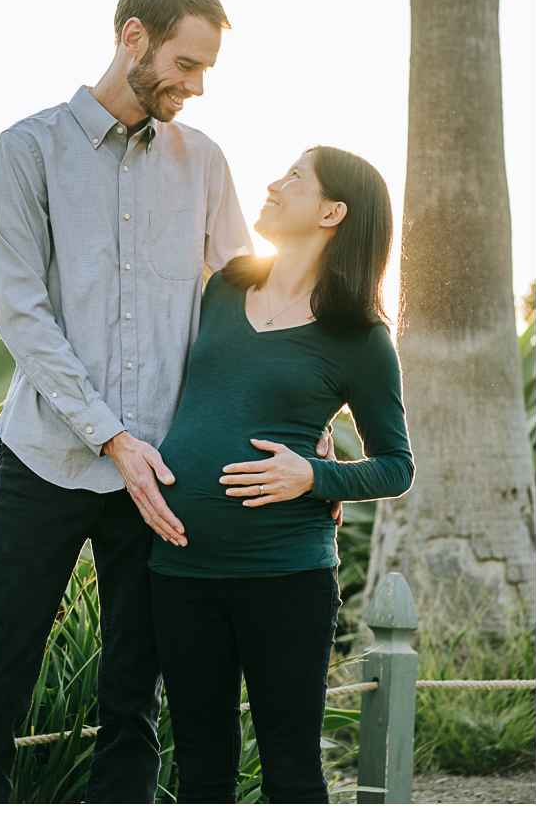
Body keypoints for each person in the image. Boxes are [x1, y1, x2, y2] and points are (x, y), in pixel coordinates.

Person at [0, 0, 337, 804]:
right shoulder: (28, 149)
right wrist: (110, 437)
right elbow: (22, 313)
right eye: (186, 65)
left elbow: (245, 294)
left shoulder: (205, 162)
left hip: (160, 476)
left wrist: (304, 417)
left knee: (134, 697)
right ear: (133, 39)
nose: (195, 86)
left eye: (205, 72)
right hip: (46, 459)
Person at [148, 145, 416, 805]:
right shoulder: (225, 286)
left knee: (292, 774)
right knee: (201, 773)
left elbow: (395, 465)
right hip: (180, 571)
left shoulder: (360, 337)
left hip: (286, 577)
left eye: (295, 176)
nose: (274, 183)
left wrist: (314, 477)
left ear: (333, 211)